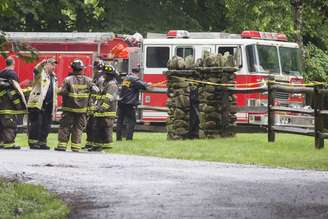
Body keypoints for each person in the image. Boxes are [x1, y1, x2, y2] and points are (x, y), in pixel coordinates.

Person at [55, 59, 99, 152]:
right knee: (78, 128)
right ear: (82, 69)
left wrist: (58, 89)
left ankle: (62, 146)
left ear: (72, 69)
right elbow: (96, 90)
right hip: (82, 110)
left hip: (68, 109)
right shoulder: (88, 80)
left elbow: (62, 92)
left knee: (65, 126)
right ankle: (76, 147)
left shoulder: (68, 80)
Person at [27, 58, 58, 149]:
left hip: (49, 105)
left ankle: (42, 142)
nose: (54, 67)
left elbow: (54, 92)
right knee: (36, 124)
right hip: (38, 103)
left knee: (46, 124)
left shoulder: (54, 77)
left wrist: (55, 105)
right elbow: (36, 70)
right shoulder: (40, 74)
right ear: (46, 65)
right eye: (52, 64)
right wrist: (41, 64)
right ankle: (33, 142)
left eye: (54, 65)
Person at [116, 67, 151, 141]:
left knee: (120, 121)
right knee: (131, 121)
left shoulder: (127, 78)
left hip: (121, 102)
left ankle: (118, 138)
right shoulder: (134, 78)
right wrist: (148, 84)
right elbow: (144, 85)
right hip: (129, 103)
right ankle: (129, 138)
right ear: (138, 72)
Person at [0, 57, 27, 149]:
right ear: (13, 63)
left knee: (2, 123)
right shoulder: (12, 74)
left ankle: (2, 142)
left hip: (1, 103)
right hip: (9, 104)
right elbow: (16, 90)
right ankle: (9, 143)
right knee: (10, 123)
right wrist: (19, 104)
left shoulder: (1, 72)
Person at [91, 63, 118, 151]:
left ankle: (105, 146)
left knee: (105, 128)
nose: (104, 75)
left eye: (106, 74)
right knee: (98, 128)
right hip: (101, 111)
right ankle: (97, 145)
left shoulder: (112, 85)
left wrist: (102, 108)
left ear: (110, 75)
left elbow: (109, 99)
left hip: (107, 111)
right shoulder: (105, 83)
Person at [85, 58, 104, 150]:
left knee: (93, 126)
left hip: (96, 106)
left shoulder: (101, 80)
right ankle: (89, 143)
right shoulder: (96, 78)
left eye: (95, 69)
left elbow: (99, 93)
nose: (94, 71)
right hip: (92, 105)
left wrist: (95, 106)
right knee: (89, 126)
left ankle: (93, 143)